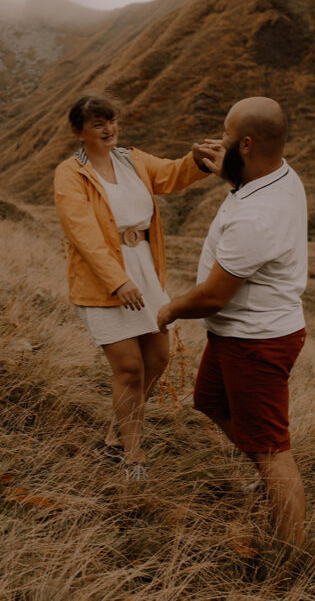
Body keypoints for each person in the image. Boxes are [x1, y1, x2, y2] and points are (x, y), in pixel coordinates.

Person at [156, 97, 308, 547]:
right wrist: (230, 171)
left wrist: (169, 310)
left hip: (256, 342)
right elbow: (249, 183)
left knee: (272, 451)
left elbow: (215, 297)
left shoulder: (258, 218)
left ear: (246, 142)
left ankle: (290, 553)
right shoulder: (279, 173)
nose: (219, 141)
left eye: (226, 134)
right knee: (210, 401)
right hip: (239, 336)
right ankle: (268, 480)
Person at [54, 93, 213, 482]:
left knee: (157, 358)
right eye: (98, 124)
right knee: (128, 368)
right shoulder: (70, 173)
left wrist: (198, 160)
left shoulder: (133, 160)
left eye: (112, 120)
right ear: (79, 132)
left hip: (144, 268)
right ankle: (134, 454)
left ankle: (115, 435)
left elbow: (170, 175)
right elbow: (83, 234)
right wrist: (117, 281)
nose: (109, 129)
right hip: (103, 278)